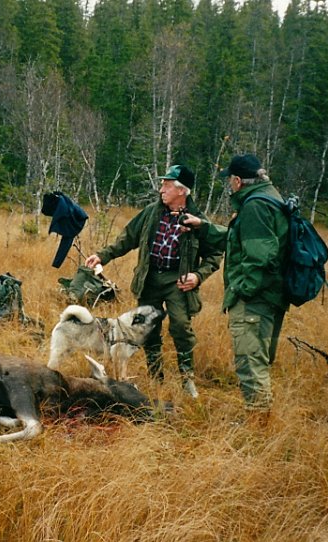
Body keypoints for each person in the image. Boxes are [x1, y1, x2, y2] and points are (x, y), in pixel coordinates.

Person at [85, 165, 226, 398]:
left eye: (167, 185)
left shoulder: (199, 221)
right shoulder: (152, 212)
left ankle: (186, 377)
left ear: (182, 191)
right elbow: (127, 238)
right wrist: (103, 255)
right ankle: (156, 374)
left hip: (177, 281)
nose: (161, 189)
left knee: (181, 326)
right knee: (149, 327)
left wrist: (197, 276)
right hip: (149, 277)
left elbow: (214, 254)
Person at [217, 153, 289, 421]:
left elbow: (260, 256)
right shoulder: (271, 197)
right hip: (271, 296)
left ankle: (257, 428)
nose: (230, 186)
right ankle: (260, 420)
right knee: (258, 360)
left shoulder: (255, 206)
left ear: (237, 181)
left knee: (250, 362)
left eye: (230, 181)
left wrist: (241, 291)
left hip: (255, 300)